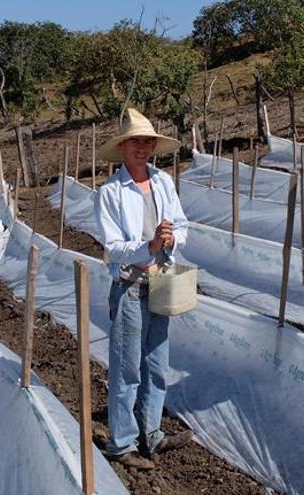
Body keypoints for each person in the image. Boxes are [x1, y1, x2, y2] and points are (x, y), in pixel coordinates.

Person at [94, 108, 193, 470]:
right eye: (135, 141)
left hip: (163, 282)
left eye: (147, 141)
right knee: (127, 369)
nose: (142, 147)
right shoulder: (109, 193)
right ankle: (121, 443)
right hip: (130, 287)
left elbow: (183, 225)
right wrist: (147, 246)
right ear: (123, 147)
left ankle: (151, 434)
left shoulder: (164, 182)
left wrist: (171, 238)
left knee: (156, 363)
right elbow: (112, 248)